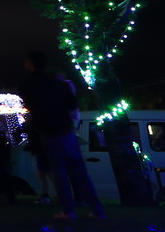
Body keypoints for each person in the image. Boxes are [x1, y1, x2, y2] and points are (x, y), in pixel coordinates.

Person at [18, 49, 104, 220]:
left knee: (59, 172)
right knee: (79, 171)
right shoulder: (59, 85)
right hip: (67, 131)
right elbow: (72, 104)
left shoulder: (27, 85)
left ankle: (68, 211)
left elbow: (30, 104)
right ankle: (97, 209)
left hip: (48, 132)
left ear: (29, 64)